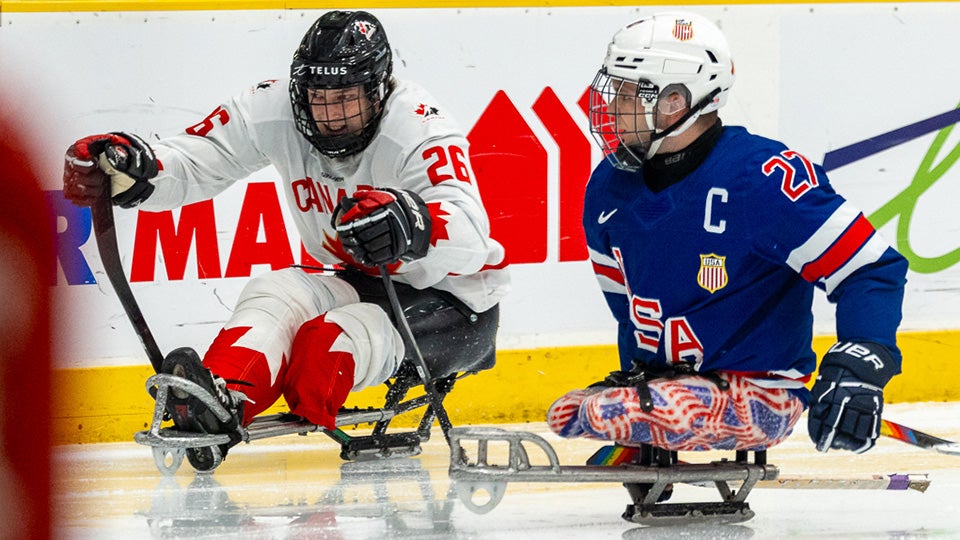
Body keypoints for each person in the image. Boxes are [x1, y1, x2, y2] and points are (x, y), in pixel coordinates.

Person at [62, 10, 509, 470]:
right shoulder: (273, 108)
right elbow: (200, 157)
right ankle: (220, 405)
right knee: (275, 292)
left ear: (378, 91)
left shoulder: (417, 126)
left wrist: (412, 223)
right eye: (318, 97)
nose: (330, 115)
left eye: (346, 97)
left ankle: (276, 392)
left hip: (455, 303)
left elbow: (472, 233)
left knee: (324, 348)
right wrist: (134, 168)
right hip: (359, 280)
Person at [547, 12, 907, 456]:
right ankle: (651, 417)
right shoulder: (608, 187)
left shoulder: (761, 179)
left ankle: (655, 413)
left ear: (675, 101)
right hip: (668, 386)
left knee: (604, 413)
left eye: (627, 93)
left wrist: (859, 366)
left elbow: (870, 268)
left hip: (758, 394)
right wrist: (642, 404)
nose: (609, 106)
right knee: (569, 411)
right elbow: (631, 319)